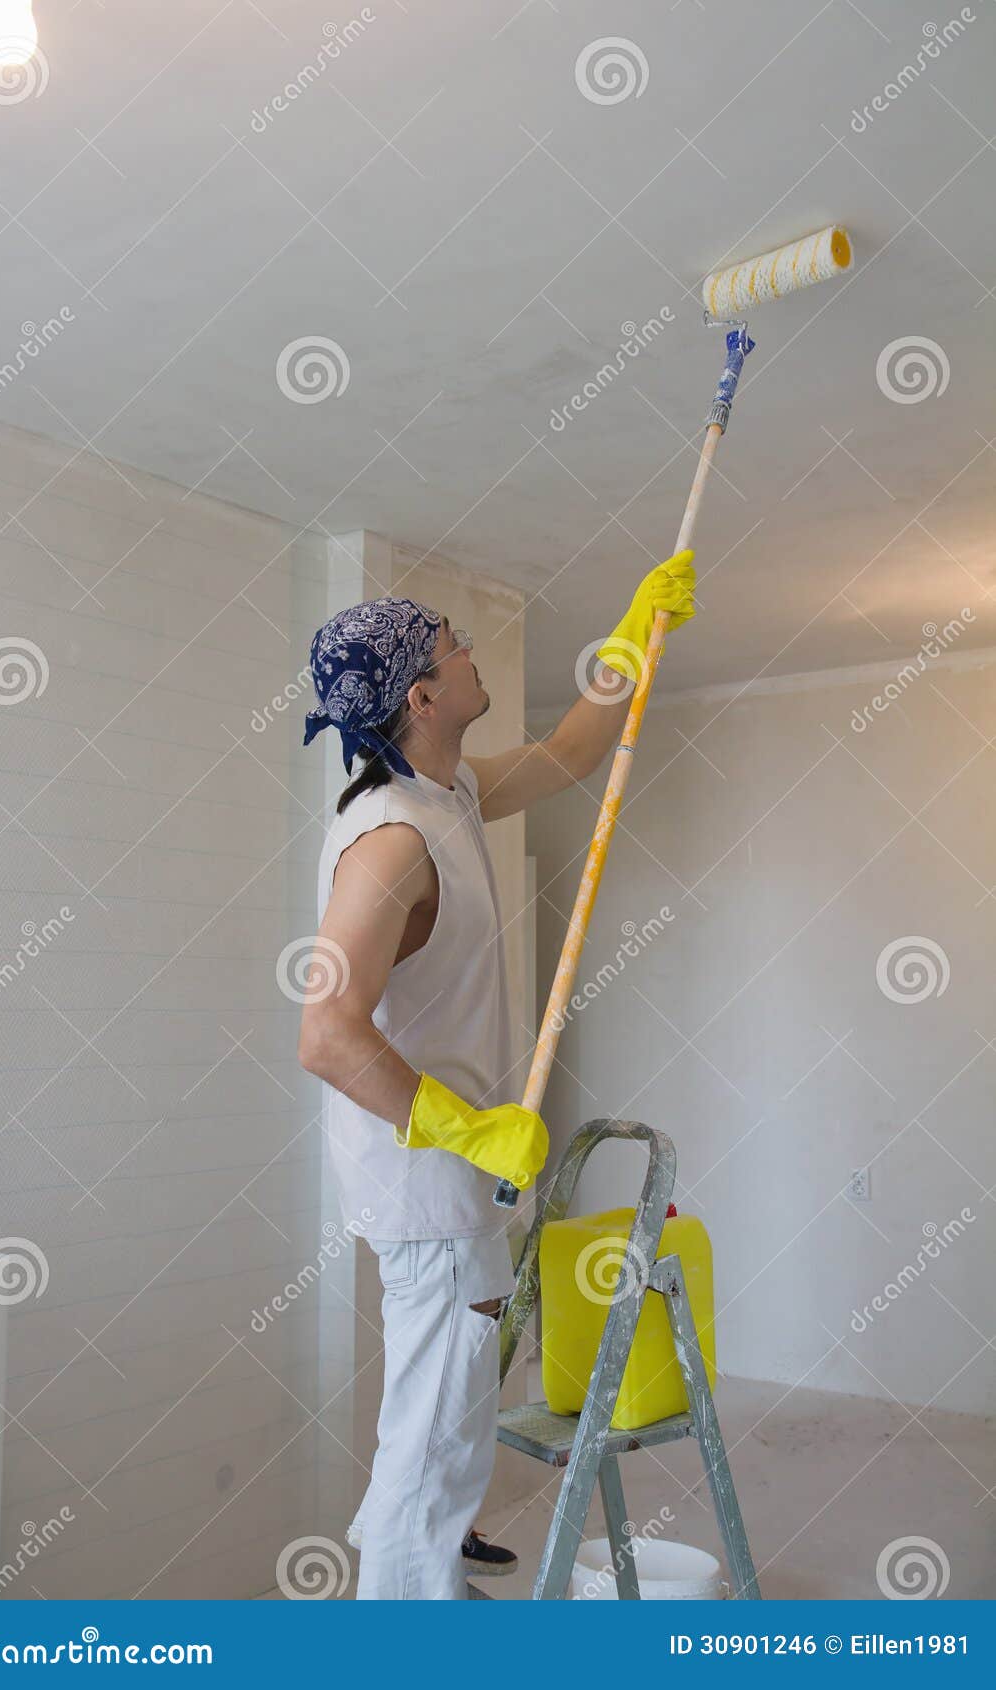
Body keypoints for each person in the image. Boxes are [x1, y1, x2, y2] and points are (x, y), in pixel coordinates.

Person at [298, 552, 696, 1599]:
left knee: (448, 1419)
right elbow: (326, 1035)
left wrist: (629, 637)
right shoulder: (390, 842)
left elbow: (569, 753)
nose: (471, 652)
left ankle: (421, 1585)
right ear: (421, 697)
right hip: (428, 1181)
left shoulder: (448, 790)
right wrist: (467, 1130)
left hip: (456, 1178)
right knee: (431, 1450)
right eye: (452, 647)